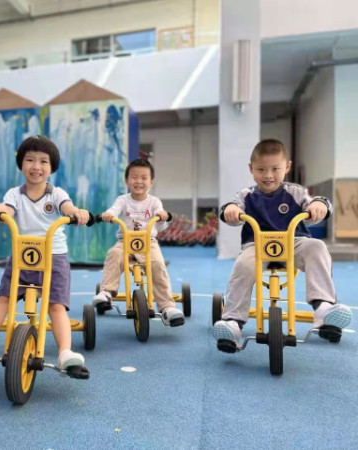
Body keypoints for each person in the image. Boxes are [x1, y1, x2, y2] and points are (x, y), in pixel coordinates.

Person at [0, 135, 91, 370]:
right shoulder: (14, 194)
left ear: (52, 167)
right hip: (22, 256)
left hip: (53, 257)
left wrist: (76, 212)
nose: (36, 166)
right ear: (21, 164)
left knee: (56, 306)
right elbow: (8, 209)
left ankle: (64, 353)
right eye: (30, 160)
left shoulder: (56, 194)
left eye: (43, 161)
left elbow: (67, 207)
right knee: (4, 299)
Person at [212, 139, 352, 349]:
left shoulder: (295, 192)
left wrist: (319, 205)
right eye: (261, 169)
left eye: (275, 169)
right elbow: (231, 207)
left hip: (293, 242)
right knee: (243, 265)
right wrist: (231, 210)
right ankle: (233, 322)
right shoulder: (246, 195)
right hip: (257, 245)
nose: (268, 175)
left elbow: (317, 202)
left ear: (287, 167)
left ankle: (324, 306)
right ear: (251, 169)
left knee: (317, 247)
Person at [92, 159, 185, 327]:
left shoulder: (154, 202)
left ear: (151, 182)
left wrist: (162, 216)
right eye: (134, 177)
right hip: (125, 241)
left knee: (157, 264)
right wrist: (109, 215)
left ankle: (167, 307)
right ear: (127, 181)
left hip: (148, 242)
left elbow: (160, 221)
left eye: (144, 178)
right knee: (114, 254)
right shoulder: (123, 200)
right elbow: (114, 210)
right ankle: (106, 292)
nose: (139, 181)